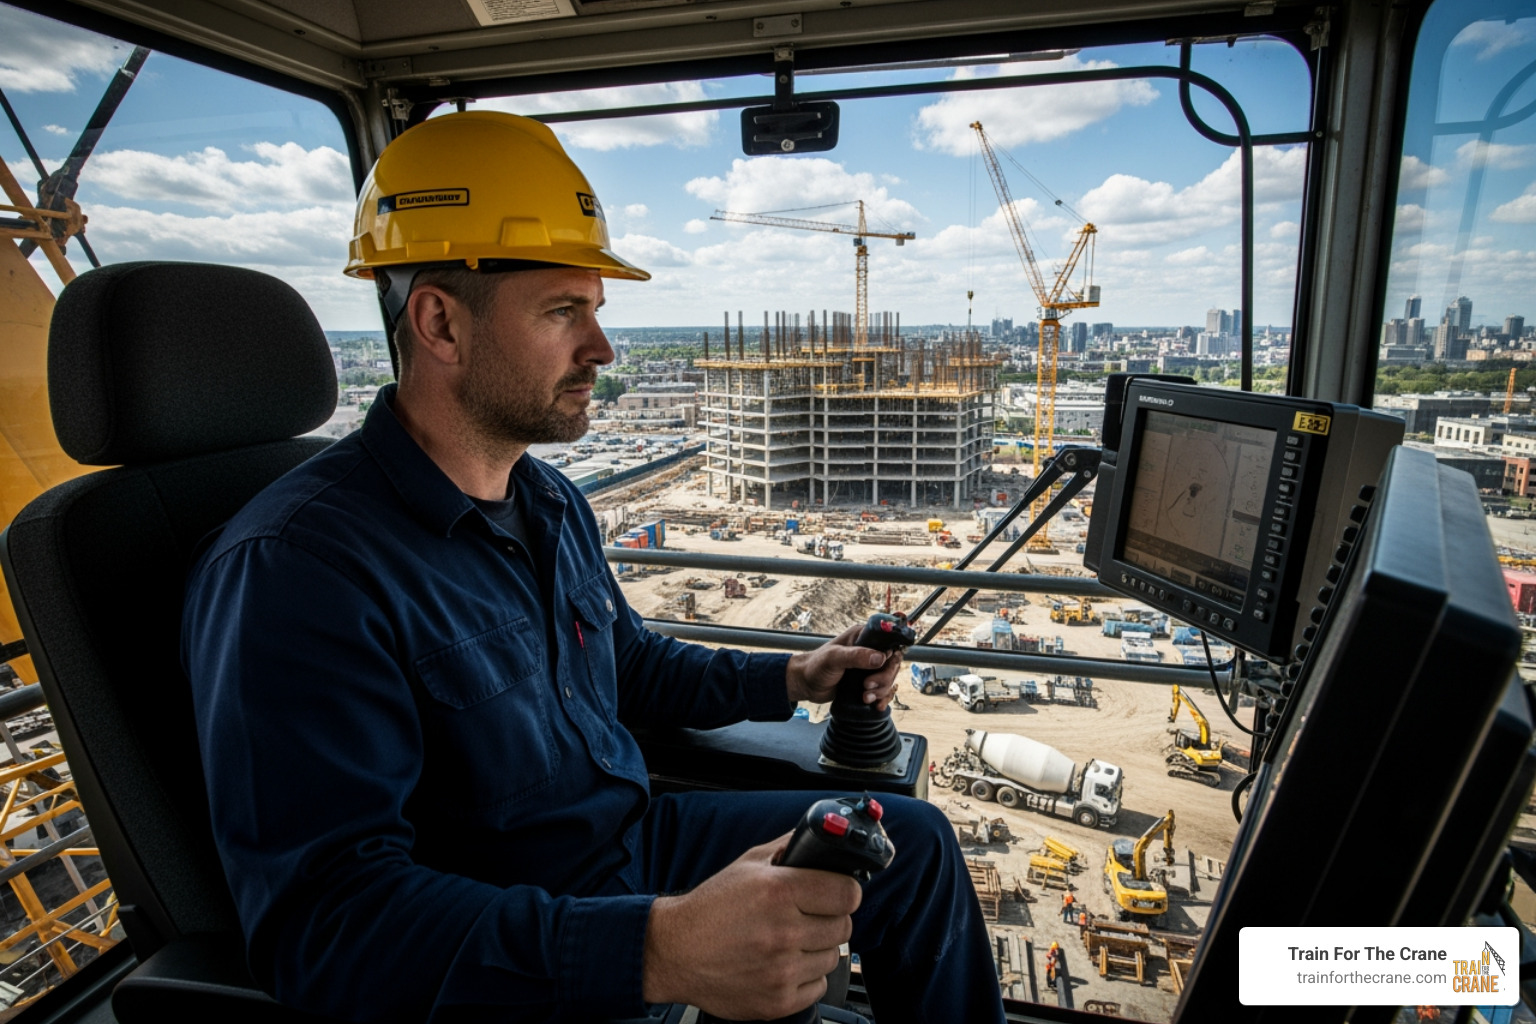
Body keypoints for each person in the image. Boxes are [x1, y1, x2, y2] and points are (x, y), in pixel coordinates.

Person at [182, 111, 1005, 1024]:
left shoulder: (546, 500)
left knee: (911, 847)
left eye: (597, 311)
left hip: (628, 844)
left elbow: (628, 664)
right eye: (562, 312)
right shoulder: (299, 570)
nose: (602, 350)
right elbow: (330, 928)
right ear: (440, 322)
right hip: (515, 939)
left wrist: (793, 676)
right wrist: (658, 949)